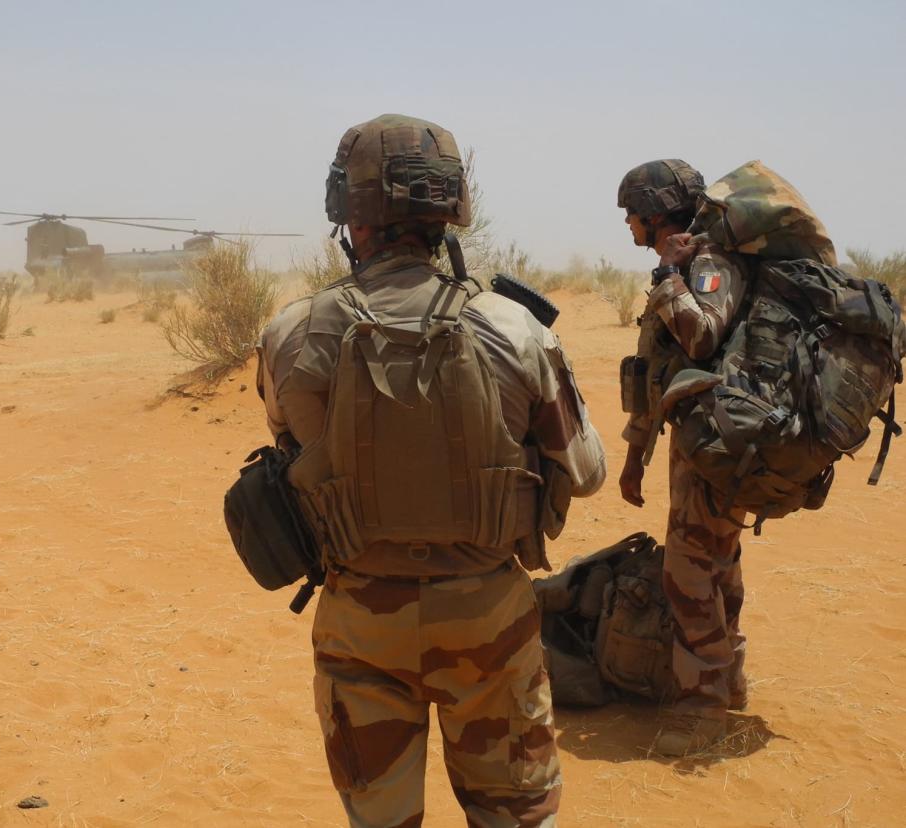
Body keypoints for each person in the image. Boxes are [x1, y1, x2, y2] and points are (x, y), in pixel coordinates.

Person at [256, 113, 606, 827]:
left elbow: (289, 449)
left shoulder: (290, 334)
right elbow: (589, 469)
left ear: (348, 215)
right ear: (450, 212)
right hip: (490, 622)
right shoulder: (515, 328)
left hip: (360, 626)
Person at [616, 159, 753, 756]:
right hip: (696, 442)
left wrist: (671, 274)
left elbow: (701, 337)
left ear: (656, 212)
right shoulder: (679, 266)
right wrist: (635, 453)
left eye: (632, 214)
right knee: (715, 561)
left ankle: (702, 712)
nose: (627, 225)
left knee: (691, 573)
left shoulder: (709, 265)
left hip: (718, 444)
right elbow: (655, 369)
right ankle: (730, 683)